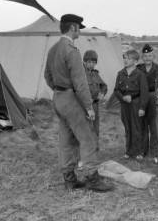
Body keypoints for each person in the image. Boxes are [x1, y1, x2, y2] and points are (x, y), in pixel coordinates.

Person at [44, 14, 113, 192]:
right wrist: (89, 107)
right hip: (70, 98)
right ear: (73, 28)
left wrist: (58, 89)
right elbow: (80, 83)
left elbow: (47, 77)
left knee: (66, 140)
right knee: (87, 137)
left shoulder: (53, 49)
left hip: (58, 98)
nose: (79, 31)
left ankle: (69, 179)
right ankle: (92, 178)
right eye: (78, 28)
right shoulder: (71, 50)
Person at [114, 49, 149, 160]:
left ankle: (140, 151)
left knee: (137, 128)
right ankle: (129, 151)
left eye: (128, 58)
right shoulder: (120, 74)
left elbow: (144, 92)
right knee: (127, 127)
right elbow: (116, 90)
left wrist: (142, 107)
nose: (125, 60)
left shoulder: (140, 75)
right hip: (125, 105)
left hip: (136, 103)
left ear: (135, 61)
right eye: (125, 58)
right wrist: (122, 97)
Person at [137, 44, 158, 163]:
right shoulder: (138, 68)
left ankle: (154, 152)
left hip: (154, 98)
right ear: (142, 57)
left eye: (150, 55)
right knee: (142, 125)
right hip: (141, 98)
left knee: (154, 126)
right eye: (145, 56)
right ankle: (142, 151)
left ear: (153, 56)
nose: (147, 58)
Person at [83, 49, 108, 139]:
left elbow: (104, 86)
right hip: (84, 106)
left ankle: (95, 149)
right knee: (84, 129)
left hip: (95, 105)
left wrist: (102, 93)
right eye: (89, 62)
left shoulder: (95, 74)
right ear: (84, 61)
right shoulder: (80, 74)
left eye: (94, 62)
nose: (92, 64)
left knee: (95, 129)